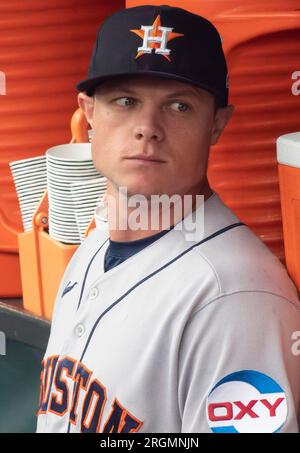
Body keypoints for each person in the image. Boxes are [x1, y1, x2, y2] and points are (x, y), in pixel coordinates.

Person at [36, 4, 300, 433]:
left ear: (216, 125)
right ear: (88, 114)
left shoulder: (235, 298)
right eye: (125, 101)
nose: (147, 128)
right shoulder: (97, 243)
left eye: (179, 107)